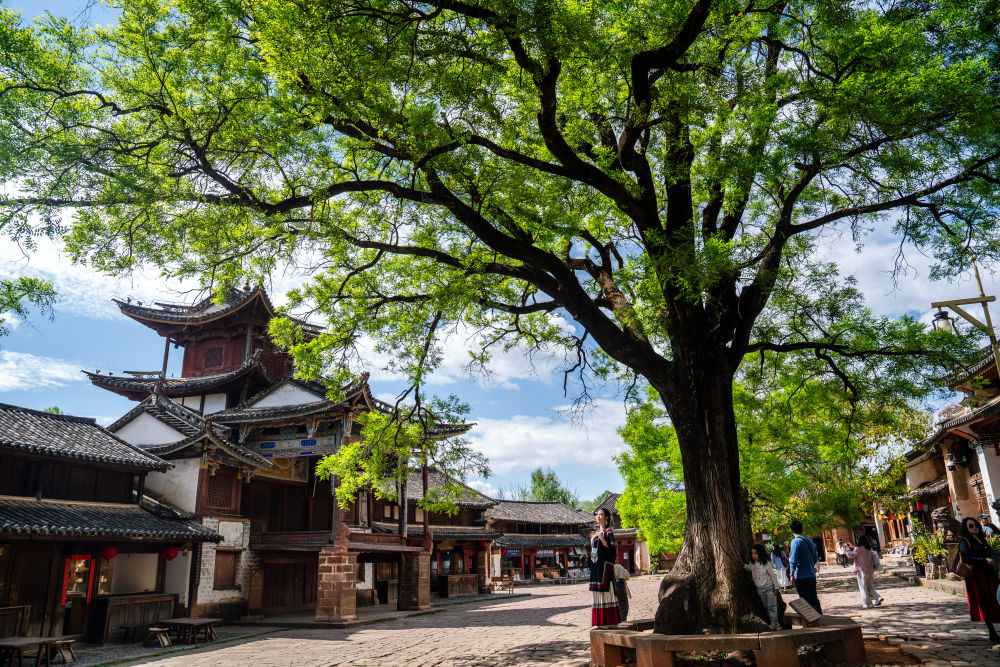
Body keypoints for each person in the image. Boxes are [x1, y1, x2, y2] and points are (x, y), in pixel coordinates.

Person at [959, 516, 1000, 644]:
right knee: (985, 603)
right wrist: (984, 560)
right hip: (977, 577)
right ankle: (992, 633)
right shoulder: (965, 541)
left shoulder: (982, 539)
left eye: (975, 524)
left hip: (990, 574)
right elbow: (966, 558)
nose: (974, 527)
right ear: (966, 528)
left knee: (996, 601)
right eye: (970, 526)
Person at [590, 507, 620, 627]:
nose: (598, 516)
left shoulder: (608, 532)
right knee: (596, 591)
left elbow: (613, 552)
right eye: (597, 514)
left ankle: (609, 622)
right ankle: (600, 622)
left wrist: (603, 541)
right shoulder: (595, 533)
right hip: (596, 566)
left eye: (601, 514)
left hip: (605, 568)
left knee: (607, 591)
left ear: (606, 517)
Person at [789, 520, 823, 614]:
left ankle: (810, 621)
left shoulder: (795, 542)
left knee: (805, 601)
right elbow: (815, 558)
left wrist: (791, 575)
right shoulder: (809, 541)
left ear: (791, 531)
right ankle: (819, 616)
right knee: (813, 598)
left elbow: (793, 560)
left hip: (801, 576)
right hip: (811, 575)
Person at [745, 544, 781, 630]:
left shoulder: (766, 564)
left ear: (760, 553)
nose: (754, 555)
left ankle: (774, 624)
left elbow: (773, 576)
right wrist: (743, 565)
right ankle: (775, 623)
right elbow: (749, 568)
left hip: (770, 589)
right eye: (752, 553)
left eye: (756, 553)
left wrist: (776, 587)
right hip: (760, 590)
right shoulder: (753, 563)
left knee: (772, 606)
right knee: (766, 607)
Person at [845, 535, 883, 609]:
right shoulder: (868, 548)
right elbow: (859, 550)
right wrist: (853, 547)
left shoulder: (858, 549)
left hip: (862, 571)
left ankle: (868, 604)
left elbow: (850, 555)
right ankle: (878, 597)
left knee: (863, 588)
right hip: (871, 570)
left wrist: (847, 548)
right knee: (869, 587)